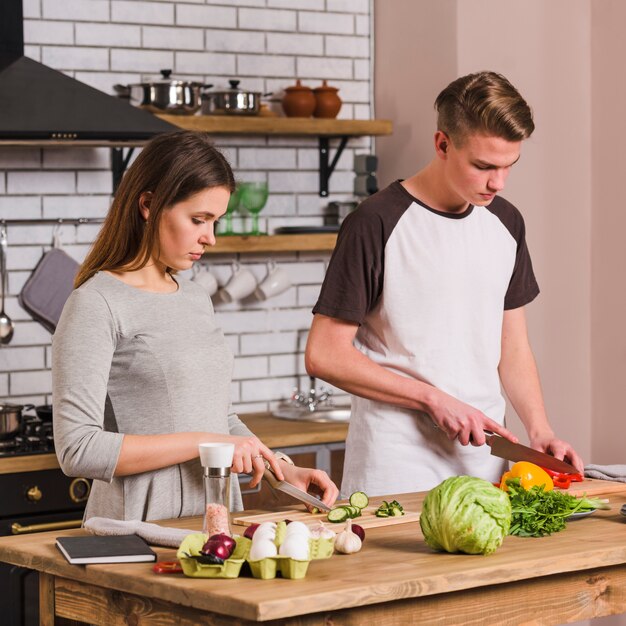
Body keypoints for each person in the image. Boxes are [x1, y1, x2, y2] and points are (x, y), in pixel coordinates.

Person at [305, 71, 584, 498]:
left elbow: (512, 347)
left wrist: (538, 428)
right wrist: (433, 399)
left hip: (485, 464)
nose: (498, 183)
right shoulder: (375, 223)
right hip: (395, 466)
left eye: (509, 166)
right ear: (442, 145)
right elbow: (325, 355)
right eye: (483, 166)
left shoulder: (506, 223)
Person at [52, 130, 338, 522]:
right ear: (149, 204)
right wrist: (205, 442)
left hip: (215, 524)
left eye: (215, 221)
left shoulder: (194, 297)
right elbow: (77, 449)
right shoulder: (96, 303)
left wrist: (281, 470)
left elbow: (218, 418)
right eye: (198, 219)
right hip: (138, 531)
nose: (211, 238)